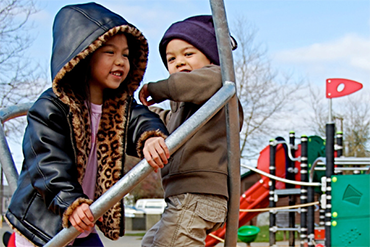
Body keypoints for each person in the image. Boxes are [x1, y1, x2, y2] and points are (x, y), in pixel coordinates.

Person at [4, 2, 170, 247]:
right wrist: (70, 201)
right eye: (110, 52)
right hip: (45, 224)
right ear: (83, 55)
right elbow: (47, 164)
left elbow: (140, 119)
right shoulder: (51, 107)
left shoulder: (117, 107)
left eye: (125, 54)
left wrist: (151, 137)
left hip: (83, 223)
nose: (121, 61)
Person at [139, 15, 243, 246]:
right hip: (185, 198)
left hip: (197, 196)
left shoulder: (217, 81)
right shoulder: (183, 108)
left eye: (188, 54)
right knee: (151, 242)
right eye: (171, 58)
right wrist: (139, 113)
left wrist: (156, 89)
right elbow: (165, 122)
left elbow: (184, 85)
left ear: (211, 57)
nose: (178, 62)